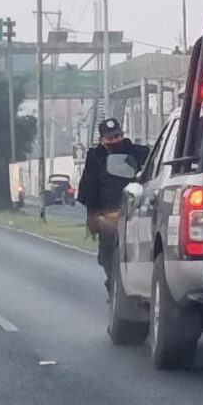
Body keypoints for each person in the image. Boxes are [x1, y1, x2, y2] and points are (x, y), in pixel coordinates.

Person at [77, 118, 151, 293]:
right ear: (102, 140)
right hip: (108, 215)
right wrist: (93, 219)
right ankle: (113, 283)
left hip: (135, 213)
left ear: (122, 135)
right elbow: (90, 188)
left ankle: (134, 287)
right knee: (106, 255)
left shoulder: (139, 153)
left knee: (138, 254)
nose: (114, 141)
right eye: (109, 138)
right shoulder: (94, 158)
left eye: (117, 136)